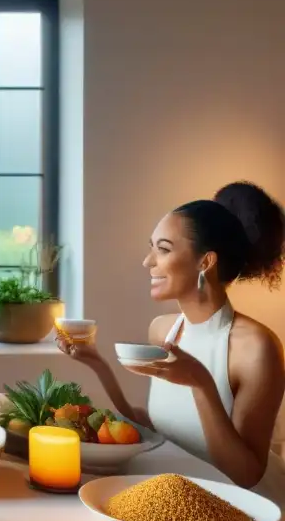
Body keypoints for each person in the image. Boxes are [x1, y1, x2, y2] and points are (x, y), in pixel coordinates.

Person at [58, 182, 285, 502]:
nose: (148, 261)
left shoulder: (256, 348)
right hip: (185, 501)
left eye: (163, 249)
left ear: (205, 262)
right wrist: (99, 365)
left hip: (251, 512)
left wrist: (202, 383)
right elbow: (164, 430)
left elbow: (246, 473)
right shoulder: (163, 330)